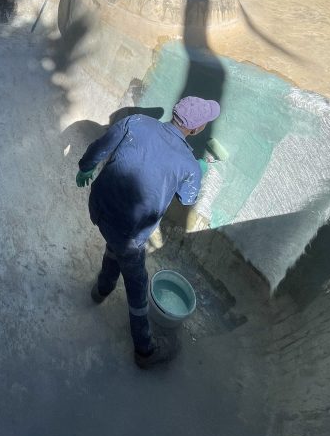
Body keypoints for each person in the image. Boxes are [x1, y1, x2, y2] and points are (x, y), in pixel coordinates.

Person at [76, 96, 221, 369]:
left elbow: (99, 147)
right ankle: (144, 351)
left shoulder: (136, 122)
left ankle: (102, 289)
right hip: (128, 232)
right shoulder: (188, 164)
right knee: (138, 285)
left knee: (116, 246)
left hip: (99, 207)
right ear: (198, 129)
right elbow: (188, 200)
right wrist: (198, 169)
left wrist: (84, 168)